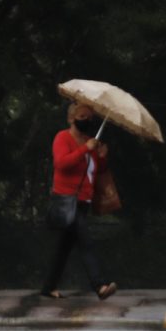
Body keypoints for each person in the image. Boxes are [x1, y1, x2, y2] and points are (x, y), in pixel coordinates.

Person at [41, 103, 118, 300]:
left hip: (83, 201)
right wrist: (85, 148)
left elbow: (95, 170)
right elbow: (61, 163)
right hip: (67, 200)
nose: (87, 120)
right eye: (82, 116)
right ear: (71, 118)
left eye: (90, 117)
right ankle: (99, 285)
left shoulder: (90, 142)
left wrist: (101, 156)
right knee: (86, 242)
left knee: (64, 248)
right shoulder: (63, 138)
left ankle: (48, 287)